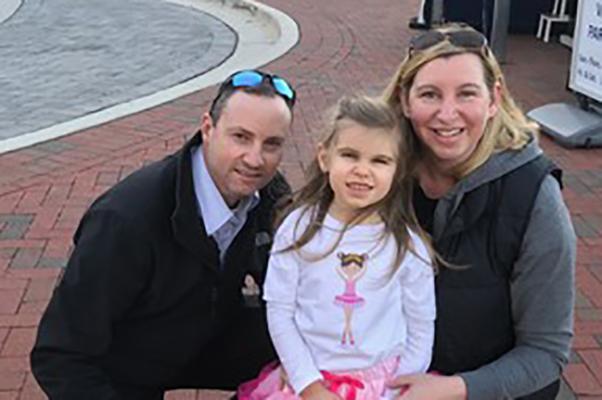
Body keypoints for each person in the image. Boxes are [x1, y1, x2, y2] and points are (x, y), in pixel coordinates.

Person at [30, 69, 296, 400]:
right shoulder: (126, 219)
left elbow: (298, 290)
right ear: (208, 129)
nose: (255, 159)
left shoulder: (269, 196)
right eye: (240, 137)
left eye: (272, 144)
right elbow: (58, 355)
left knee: (307, 342)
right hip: (127, 358)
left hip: (208, 330)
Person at [382, 24, 576, 399]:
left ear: (494, 100)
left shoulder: (533, 196)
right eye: (429, 94)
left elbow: (546, 353)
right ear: (405, 101)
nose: (447, 113)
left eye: (467, 93)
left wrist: (455, 389)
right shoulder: (380, 174)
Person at [237, 95, 437, 400]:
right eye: (350, 155)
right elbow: (280, 311)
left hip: (385, 387)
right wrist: (309, 385)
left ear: (398, 171)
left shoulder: (407, 245)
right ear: (324, 157)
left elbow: (421, 328)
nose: (362, 170)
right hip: (309, 382)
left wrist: (396, 392)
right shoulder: (298, 229)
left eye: (379, 160)